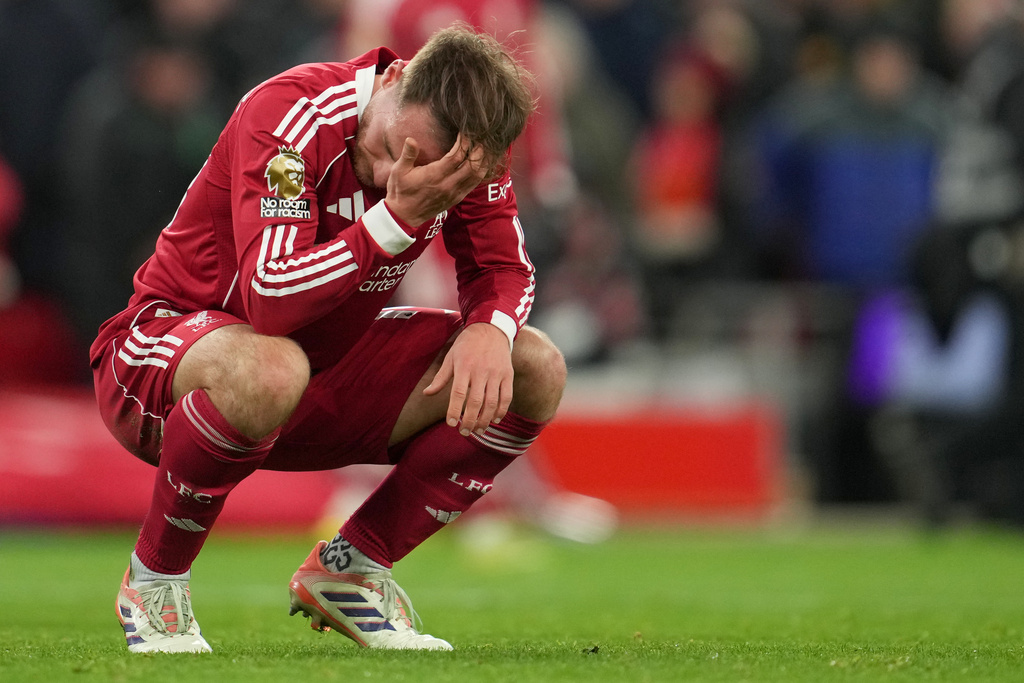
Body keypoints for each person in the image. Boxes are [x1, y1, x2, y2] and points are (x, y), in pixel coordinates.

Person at [91, 24, 567, 653]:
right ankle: (155, 581)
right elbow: (271, 299)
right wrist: (395, 220)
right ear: (393, 78)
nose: (395, 175)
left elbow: (504, 268)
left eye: (421, 169)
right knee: (272, 366)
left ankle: (352, 569)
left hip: (316, 373)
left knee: (534, 364)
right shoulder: (292, 111)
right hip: (163, 356)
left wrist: (489, 327)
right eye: (394, 148)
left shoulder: (465, 155)